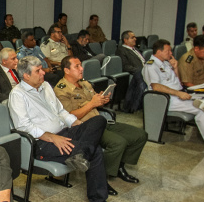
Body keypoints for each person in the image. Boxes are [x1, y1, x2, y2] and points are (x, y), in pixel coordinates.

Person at [9, 56, 120, 202]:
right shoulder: (17, 95)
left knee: (98, 121)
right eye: (38, 71)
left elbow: (61, 111)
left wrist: (77, 125)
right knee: (96, 152)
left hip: (64, 131)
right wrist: (52, 137)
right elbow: (23, 127)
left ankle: (81, 153)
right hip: (43, 142)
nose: (43, 73)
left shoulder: (45, 86)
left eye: (41, 69)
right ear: (26, 76)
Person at [55, 57, 147, 193]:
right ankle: (101, 178)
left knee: (140, 135)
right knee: (118, 143)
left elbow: (93, 103)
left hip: (100, 120)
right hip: (85, 127)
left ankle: (119, 166)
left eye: (81, 65)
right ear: (67, 70)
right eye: (77, 66)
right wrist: (92, 103)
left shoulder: (85, 84)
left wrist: (101, 100)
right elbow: (69, 117)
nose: (82, 68)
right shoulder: (61, 90)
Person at [144, 40, 204, 157]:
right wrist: (178, 94)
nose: (171, 53)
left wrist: (175, 68)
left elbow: (178, 83)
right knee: (201, 108)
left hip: (177, 94)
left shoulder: (166, 63)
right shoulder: (151, 65)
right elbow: (155, 86)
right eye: (168, 51)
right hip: (165, 99)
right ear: (159, 51)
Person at [117, 30, 148, 113]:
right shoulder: (121, 50)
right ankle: (135, 107)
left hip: (144, 71)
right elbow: (125, 66)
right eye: (132, 37)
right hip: (135, 73)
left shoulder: (135, 49)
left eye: (135, 37)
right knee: (142, 84)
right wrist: (140, 70)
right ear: (125, 40)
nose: (135, 39)